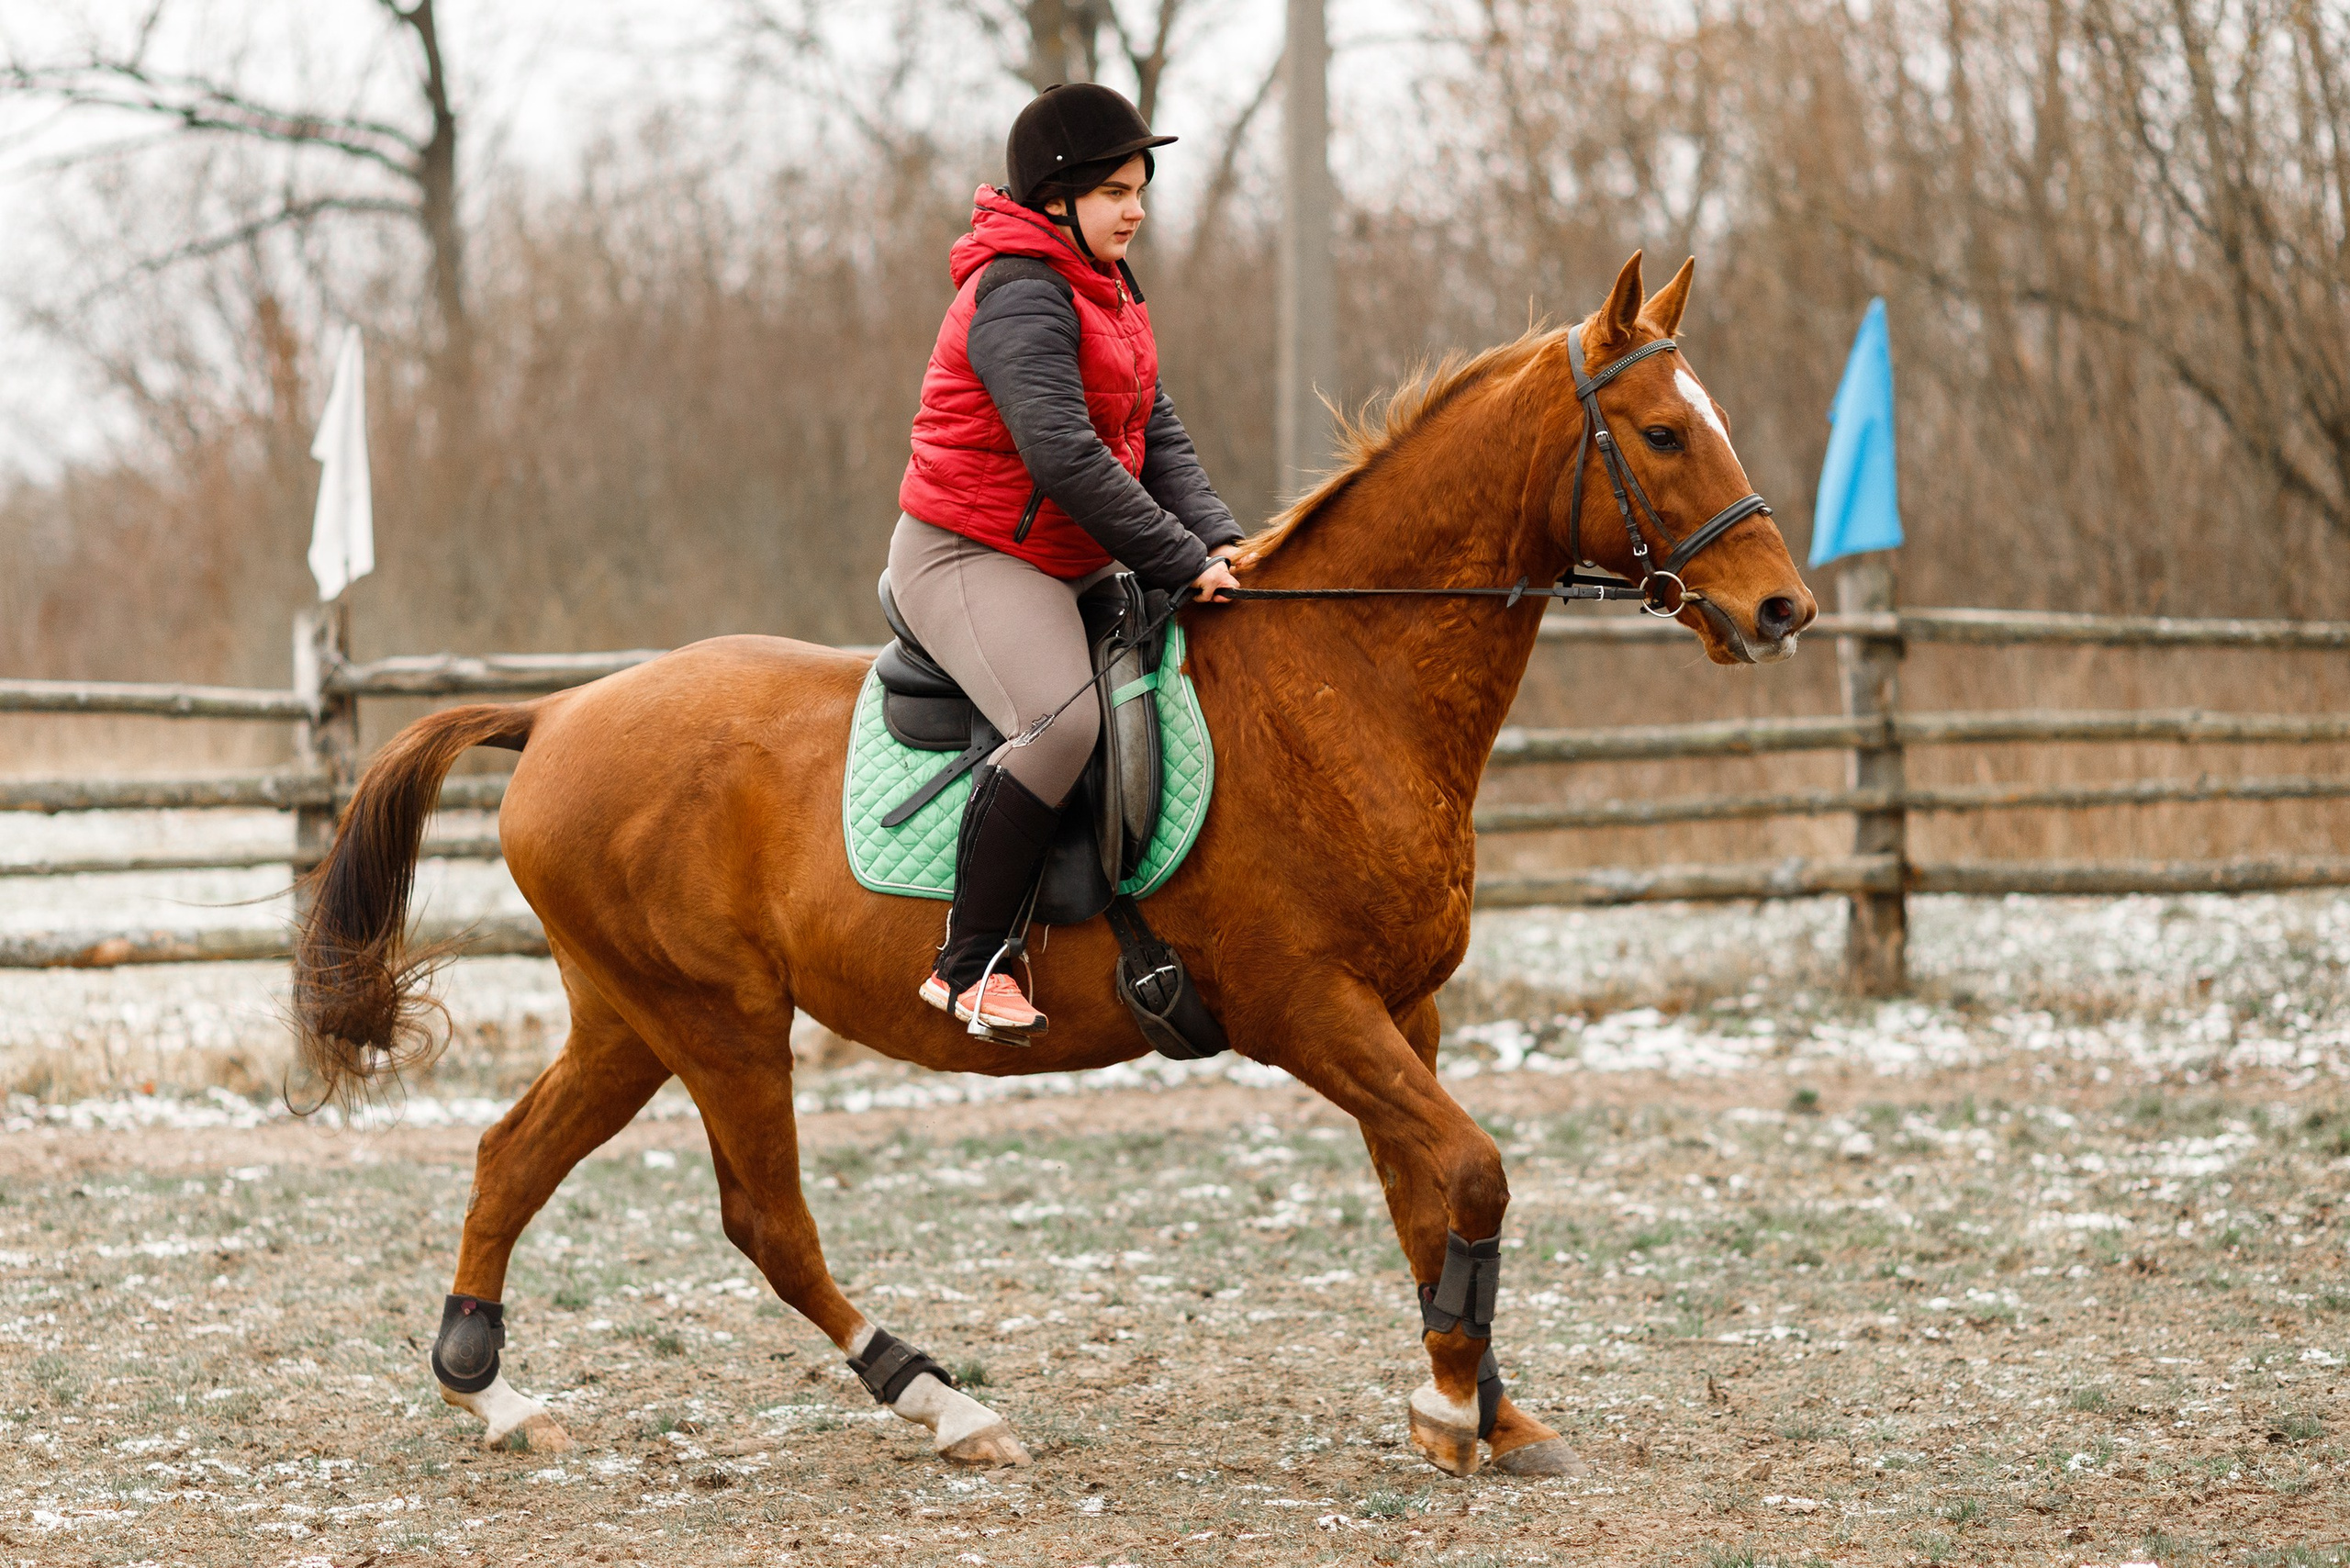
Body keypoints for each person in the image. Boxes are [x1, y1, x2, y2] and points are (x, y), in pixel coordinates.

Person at [890, 83, 1244, 1038]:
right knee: (1056, 723)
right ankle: (969, 964)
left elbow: (1154, 430)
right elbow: (1064, 455)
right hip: (971, 551)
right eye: (1114, 192)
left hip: (1063, 550)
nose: (1135, 209)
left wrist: (1217, 539)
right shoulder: (1018, 291)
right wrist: (1174, 557)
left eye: (1139, 189)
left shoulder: (1107, 289)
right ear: (1055, 200)